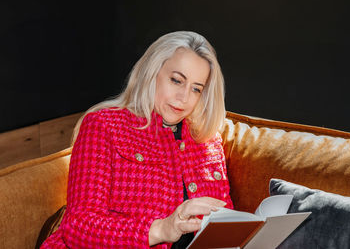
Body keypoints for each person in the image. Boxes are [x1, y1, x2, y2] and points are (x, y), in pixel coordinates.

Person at [41, 31, 233, 248]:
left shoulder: (208, 141)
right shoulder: (103, 125)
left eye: (196, 89)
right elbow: (78, 228)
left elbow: (225, 225)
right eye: (176, 80)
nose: (184, 97)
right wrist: (161, 229)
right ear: (152, 72)